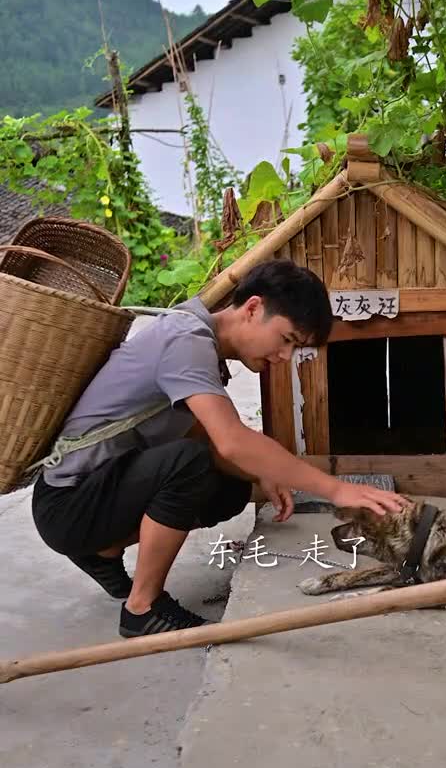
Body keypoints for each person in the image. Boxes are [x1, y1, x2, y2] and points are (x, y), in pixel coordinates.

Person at [32, 259, 409, 638]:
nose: (284, 357)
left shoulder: (201, 343)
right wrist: (336, 489)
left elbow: (202, 434)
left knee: (228, 488)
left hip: (94, 496)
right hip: (67, 504)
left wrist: (260, 471)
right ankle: (142, 608)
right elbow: (230, 440)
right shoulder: (186, 340)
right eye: (287, 340)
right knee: (190, 464)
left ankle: (104, 551)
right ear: (253, 308)